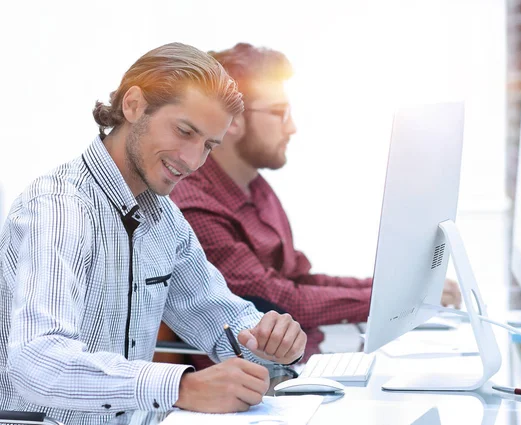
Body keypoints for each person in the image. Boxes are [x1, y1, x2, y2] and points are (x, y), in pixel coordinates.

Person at [0, 42, 306, 423]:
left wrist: (273, 340)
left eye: (208, 146)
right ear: (133, 105)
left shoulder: (165, 220)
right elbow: (37, 362)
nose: (193, 161)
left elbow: (221, 322)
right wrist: (180, 387)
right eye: (184, 131)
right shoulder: (60, 208)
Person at [164, 43, 461, 367]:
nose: (291, 128)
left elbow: (299, 279)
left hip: (305, 360)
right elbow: (283, 301)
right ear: (229, 119)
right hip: (266, 382)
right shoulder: (195, 208)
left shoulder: (255, 187)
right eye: (279, 113)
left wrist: (403, 287)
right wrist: (400, 297)